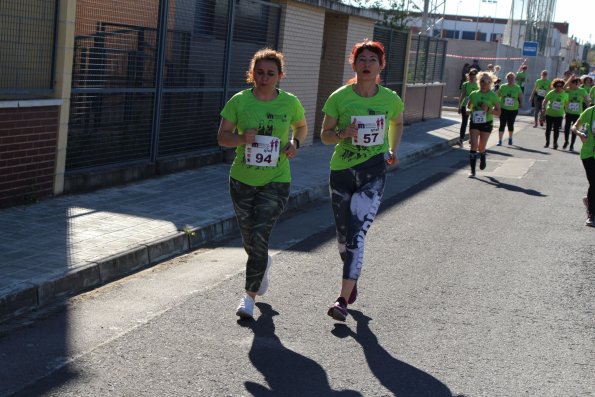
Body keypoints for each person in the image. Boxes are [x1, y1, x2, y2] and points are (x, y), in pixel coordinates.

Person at [217, 48, 308, 319]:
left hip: (276, 180)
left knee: (259, 236)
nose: (264, 77)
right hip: (242, 180)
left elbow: (301, 127)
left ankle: (248, 298)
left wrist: (295, 143)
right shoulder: (239, 101)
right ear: (252, 74)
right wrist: (242, 138)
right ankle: (263, 262)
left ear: (279, 76)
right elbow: (222, 137)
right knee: (250, 239)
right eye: (259, 72)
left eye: (270, 73)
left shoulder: (290, 103)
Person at [320, 39, 404, 322]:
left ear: (381, 65)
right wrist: (344, 133)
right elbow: (324, 135)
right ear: (353, 64)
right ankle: (351, 277)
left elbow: (398, 121)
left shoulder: (390, 99)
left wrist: (393, 148)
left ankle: (342, 299)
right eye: (362, 59)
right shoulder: (339, 97)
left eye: (372, 59)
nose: (367, 64)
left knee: (356, 236)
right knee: (344, 239)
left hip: (373, 172)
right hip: (342, 172)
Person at [466, 71, 501, 177]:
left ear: (491, 83)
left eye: (487, 81)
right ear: (478, 82)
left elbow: (499, 113)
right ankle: (472, 170)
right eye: (482, 81)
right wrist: (469, 110)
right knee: (474, 145)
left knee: (481, 147)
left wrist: (489, 109)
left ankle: (482, 155)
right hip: (475, 122)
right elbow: (469, 106)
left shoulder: (493, 96)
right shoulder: (474, 94)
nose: (484, 83)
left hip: (487, 123)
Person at [571, 105, 595, 226]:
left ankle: (588, 200)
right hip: (589, 153)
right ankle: (592, 214)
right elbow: (574, 126)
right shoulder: (590, 111)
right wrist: (580, 133)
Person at [562, 75, 591, 151]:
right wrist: (570, 79)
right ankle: (566, 141)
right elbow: (563, 88)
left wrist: (588, 108)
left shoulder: (582, 90)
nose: (569, 85)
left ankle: (572, 144)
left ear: (575, 84)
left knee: (575, 129)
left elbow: (587, 100)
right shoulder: (569, 90)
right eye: (569, 84)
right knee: (567, 128)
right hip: (569, 112)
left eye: (571, 84)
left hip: (577, 113)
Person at [497, 72, 523, 145]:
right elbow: (497, 95)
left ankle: (510, 138)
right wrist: (496, 104)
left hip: (513, 109)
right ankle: (500, 140)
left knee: (510, 124)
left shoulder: (517, 87)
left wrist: (521, 103)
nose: (510, 79)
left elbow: (520, 95)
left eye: (512, 78)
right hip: (503, 108)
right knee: (502, 124)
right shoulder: (503, 86)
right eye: (509, 78)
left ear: (514, 79)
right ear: (507, 78)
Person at [542, 78, 568, 149]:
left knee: (556, 129)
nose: (558, 88)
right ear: (554, 86)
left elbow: (566, 105)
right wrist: (543, 108)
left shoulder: (565, 94)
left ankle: (555, 143)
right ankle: (547, 142)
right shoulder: (551, 93)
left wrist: (566, 113)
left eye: (560, 86)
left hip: (559, 115)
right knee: (548, 129)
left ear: (562, 86)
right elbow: (545, 101)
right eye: (557, 86)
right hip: (549, 114)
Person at [458, 68, 479, 146]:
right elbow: (462, 95)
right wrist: (459, 106)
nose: (472, 77)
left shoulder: (478, 84)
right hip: (465, 105)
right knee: (464, 122)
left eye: (474, 76)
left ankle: (471, 139)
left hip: (475, 105)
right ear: (468, 76)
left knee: (473, 123)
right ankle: (461, 139)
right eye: (471, 75)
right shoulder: (465, 84)